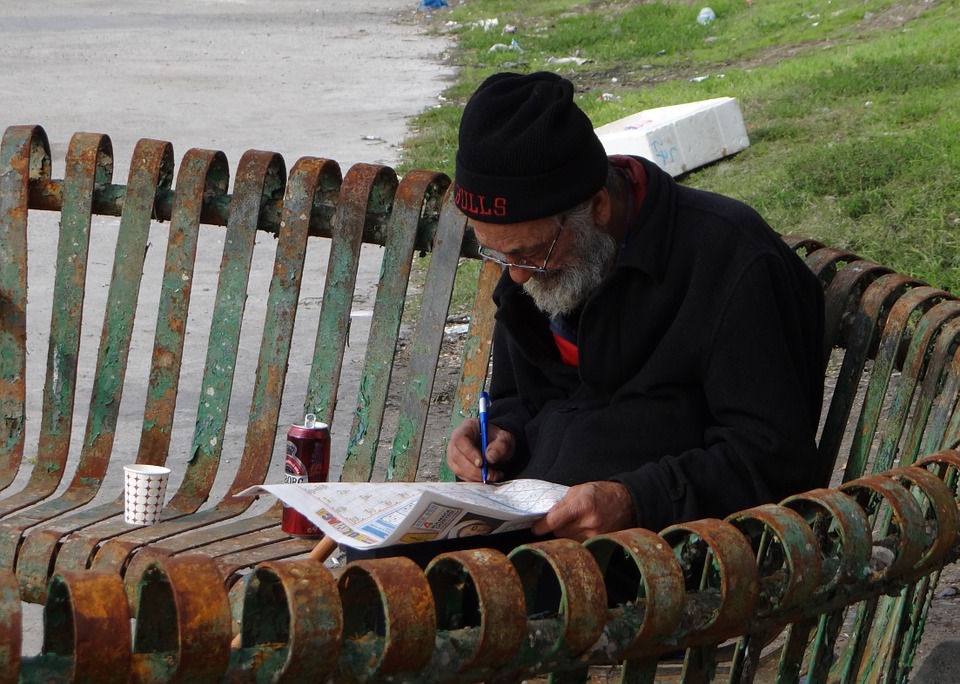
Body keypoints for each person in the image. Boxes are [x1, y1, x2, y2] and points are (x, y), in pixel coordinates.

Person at [445, 70, 826, 541]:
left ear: (599, 207)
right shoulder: (545, 259)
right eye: (499, 255)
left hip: (668, 556)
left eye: (528, 254)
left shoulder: (730, 260)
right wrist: (498, 435)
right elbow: (521, 396)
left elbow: (774, 456)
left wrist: (635, 501)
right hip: (533, 529)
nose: (517, 275)